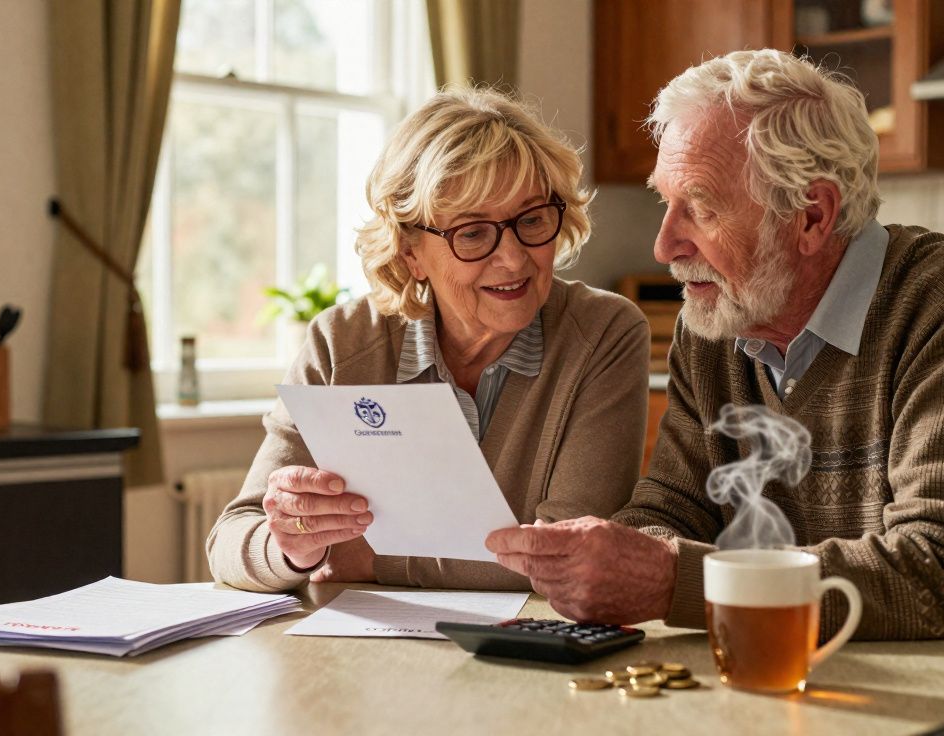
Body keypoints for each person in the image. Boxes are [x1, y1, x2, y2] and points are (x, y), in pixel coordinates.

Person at [486, 50, 944, 734]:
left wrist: (669, 577)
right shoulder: (714, 327)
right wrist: (624, 555)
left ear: (812, 215)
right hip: (809, 707)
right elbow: (672, 507)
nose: (665, 242)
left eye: (697, 208)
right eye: (664, 204)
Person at [208, 87, 650, 592]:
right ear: (410, 253)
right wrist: (289, 546)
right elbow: (230, 541)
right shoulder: (342, 342)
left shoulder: (604, 335)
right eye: (473, 232)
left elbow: (568, 561)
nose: (513, 259)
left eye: (531, 220)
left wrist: (366, 558)